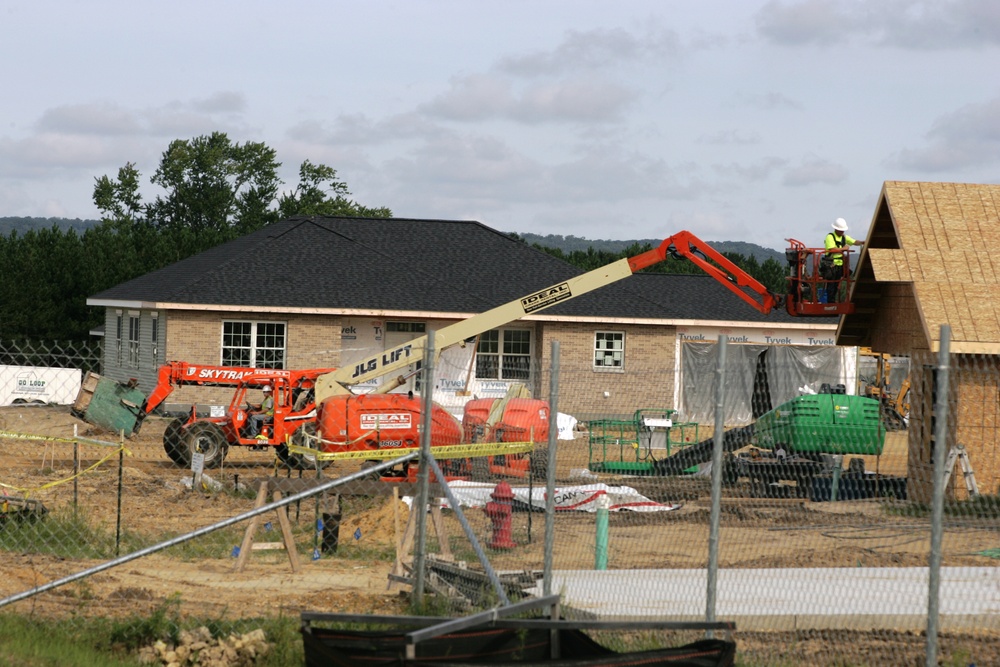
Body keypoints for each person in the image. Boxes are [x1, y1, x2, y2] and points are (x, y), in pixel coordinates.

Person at [822, 217, 863, 302]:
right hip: (830, 265)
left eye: (843, 230)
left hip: (840, 265)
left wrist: (863, 242)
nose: (842, 232)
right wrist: (844, 249)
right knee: (831, 284)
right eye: (840, 230)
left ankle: (833, 301)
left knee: (837, 284)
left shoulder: (844, 237)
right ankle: (830, 302)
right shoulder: (830, 237)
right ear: (836, 229)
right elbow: (832, 249)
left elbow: (854, 242)